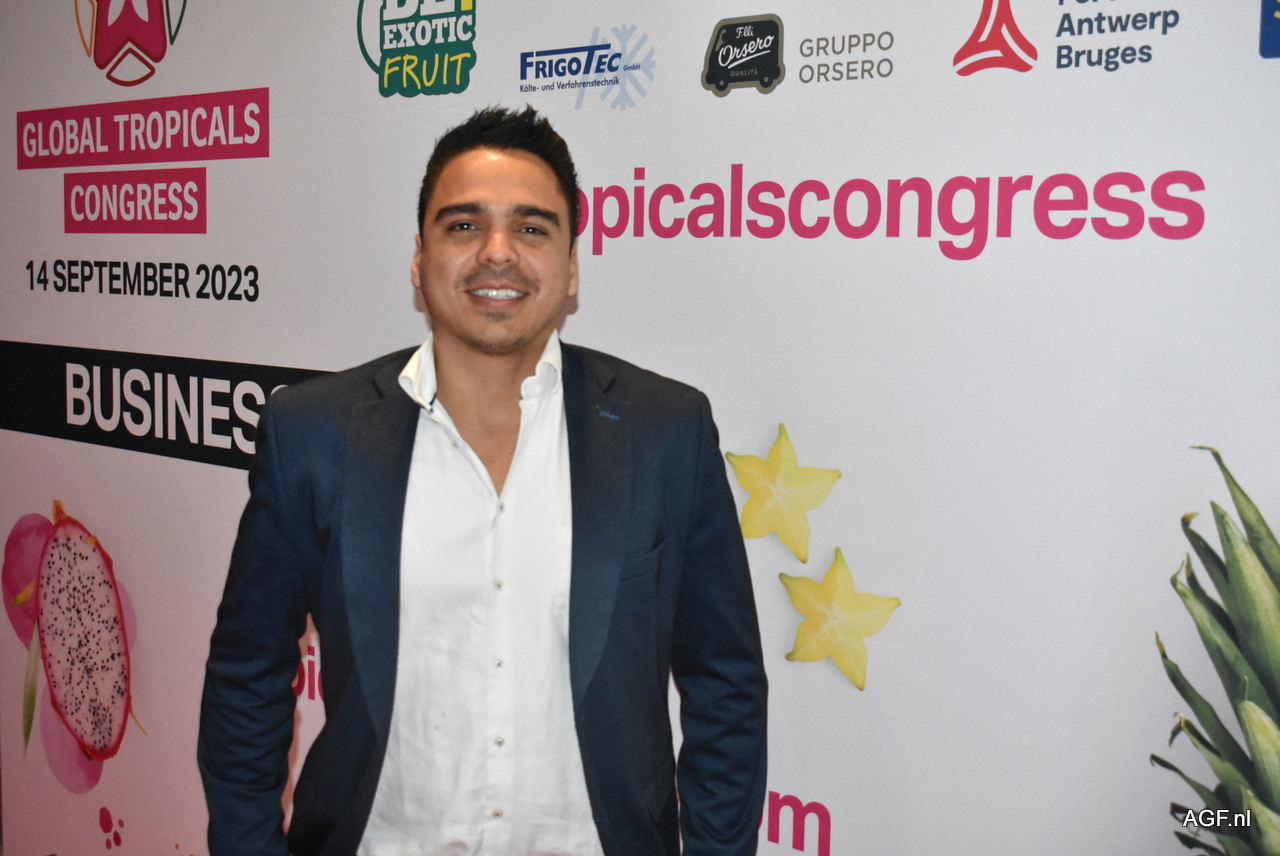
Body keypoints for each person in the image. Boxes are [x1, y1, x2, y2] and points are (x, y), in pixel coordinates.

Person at [197, 105, 767, 856]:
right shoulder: (313, 435)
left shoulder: (667, 432)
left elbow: (724, 682)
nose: (497, 253)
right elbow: (247, 674)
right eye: (464, 225)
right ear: (419, 258)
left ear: (571, 267)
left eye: (532, 228)